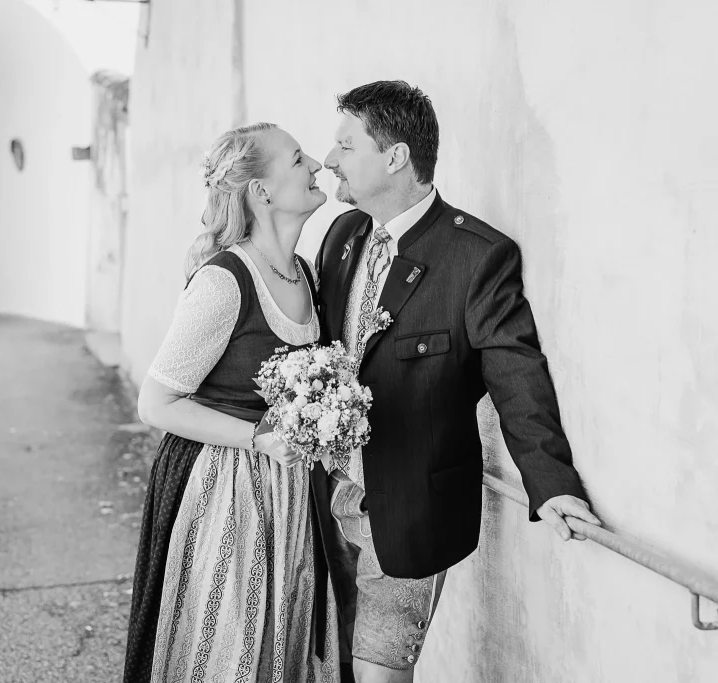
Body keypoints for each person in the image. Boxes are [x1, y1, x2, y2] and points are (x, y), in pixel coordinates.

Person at [311, 80, 602, 683]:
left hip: (408, 511)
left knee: (379, 675)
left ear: (395, 158)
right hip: (325, 504)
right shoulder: (341, 238)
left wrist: (550, 483)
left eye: (346, 145)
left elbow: (515, 372)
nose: (329, 160)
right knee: (327, 664)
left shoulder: (476, 256)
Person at [123, 122, 341, 683]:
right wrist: (257, 437)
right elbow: (156, 402)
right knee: (230, 652)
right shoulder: (225, 282)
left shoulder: (306, 275)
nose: (316, 164)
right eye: (298, 159)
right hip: (226, 489)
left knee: (281, 649)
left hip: (290, 493)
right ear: (261, 191)